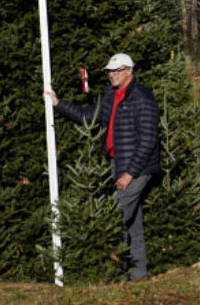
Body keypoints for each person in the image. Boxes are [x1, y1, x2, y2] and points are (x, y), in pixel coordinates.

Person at [46, 52, 160, 282]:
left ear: (129, 71)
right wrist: (59, 105)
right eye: (109, 71)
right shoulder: (111, 96)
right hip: (116, 163)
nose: (112, 75)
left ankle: (116, 274)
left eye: (117, 71)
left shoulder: (142, 98)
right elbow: (90, 116)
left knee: (115, 218)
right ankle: (138, 275)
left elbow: (148, 140)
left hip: (136, 169)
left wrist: (129, 174)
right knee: (133, 220)